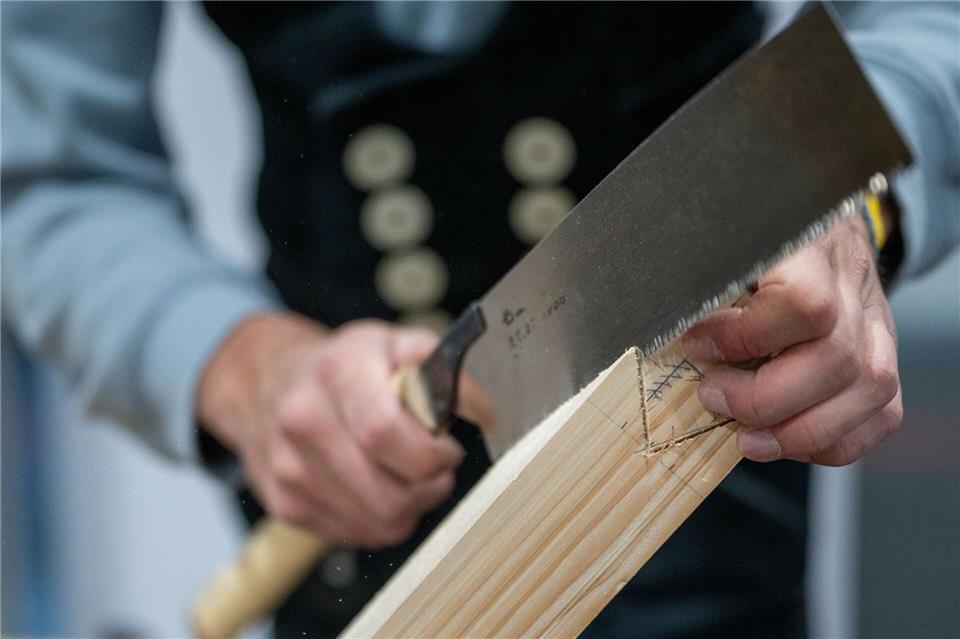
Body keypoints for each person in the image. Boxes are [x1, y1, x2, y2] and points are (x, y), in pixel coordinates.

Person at [2, 2, 957, 637]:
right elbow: (53, 172)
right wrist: (246, 371)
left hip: (706, 490)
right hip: (351, 522)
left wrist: (847, 193)